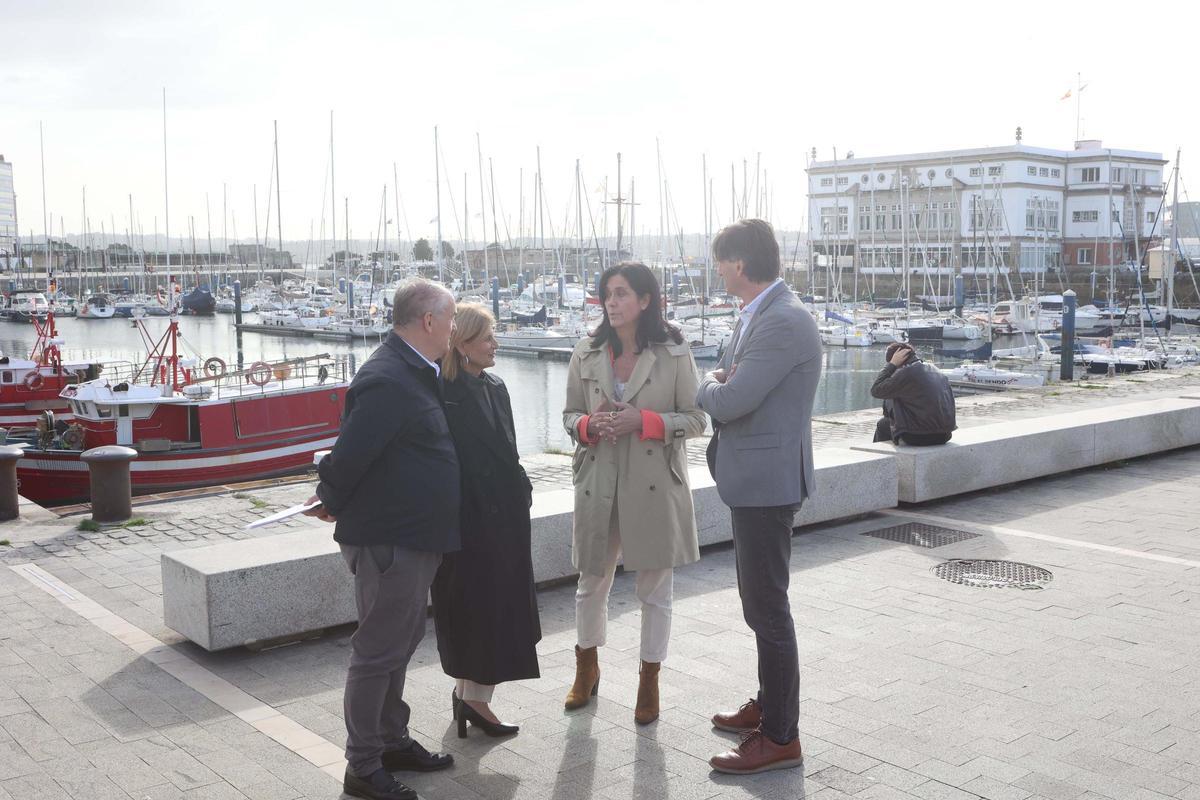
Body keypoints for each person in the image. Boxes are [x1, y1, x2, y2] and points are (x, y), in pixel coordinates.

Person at [306, 279, 459, 800]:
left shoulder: (414, 370)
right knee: (377, 652)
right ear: (429, 321)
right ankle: (363, 766)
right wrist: (330, 496)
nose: (456, 327)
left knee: (400, 645)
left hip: (415, 536)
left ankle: (391, 740)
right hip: (391, 540)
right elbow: (349, 457)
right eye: (452, 317)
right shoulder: (389, 377)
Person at [696, 219, 821, 775]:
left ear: (739, 264)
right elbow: (737, 381)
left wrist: (706, 384)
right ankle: (769, 707)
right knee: (760, 605)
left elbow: (729, 398)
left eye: (721, 261)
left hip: (768, 485)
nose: (718, 269)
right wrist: (725, 379)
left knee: (767, 609)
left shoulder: (784, 320)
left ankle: (780, 736)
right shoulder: (763, 315)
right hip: (756, 480)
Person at [562, 262, 707, 725]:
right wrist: (588, 425)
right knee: (591, 584)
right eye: (607, 293)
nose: (612, 301)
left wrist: (644, 422)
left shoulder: (675, 351)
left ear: (645, 300)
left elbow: (696, 418)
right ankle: (586, 668)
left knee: (655, 591)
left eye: (622, 293)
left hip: (653, 486)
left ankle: (649, 678)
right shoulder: (586, 351)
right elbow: (568, 416)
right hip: (598, 481)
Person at [431, 303, 541, 739]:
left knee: (500, 608)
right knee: (476, 609)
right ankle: (473, 700)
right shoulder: (441, 392)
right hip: (470, 520)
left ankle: (469, 697)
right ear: (463, 343)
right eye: (488, 338)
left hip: (506, 516)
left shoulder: (495, 386)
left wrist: (522, 489)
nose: (496, 344)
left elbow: (508, 449)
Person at [870, 342, 956, 445]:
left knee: (883, 424)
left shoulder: (907, 373)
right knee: (894, 391)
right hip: (944, 434)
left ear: (899, 360)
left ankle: (880, 459)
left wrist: (892, 365)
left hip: (917, 436)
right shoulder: (937, 371)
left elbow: (876, 390)